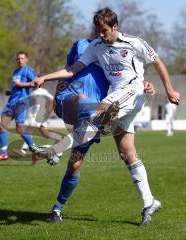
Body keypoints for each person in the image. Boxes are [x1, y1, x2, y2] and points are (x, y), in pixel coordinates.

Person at [34, 7, 180, 225]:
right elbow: (72, 70)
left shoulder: (134, 42)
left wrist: (168, 89)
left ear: (115, 27)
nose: (101, 35)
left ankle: (55, 149)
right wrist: (45, 77)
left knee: (99, 113)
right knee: (126, 152)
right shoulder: (96, 46)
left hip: (133, 91)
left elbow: (157, 62)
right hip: (121, 97)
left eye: (104, 30)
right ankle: (149, 202)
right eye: (98, 31)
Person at [0, 51, 39, 162]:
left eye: (22, 58)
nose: (20, 60)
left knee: (20, 129)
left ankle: (35, 150)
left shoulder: (28, 70)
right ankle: (3, 154)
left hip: (22, 102)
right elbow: (17, 86)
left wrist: (24, 84)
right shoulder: (16, 71)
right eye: (18, 59)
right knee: (2, 126)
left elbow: (37, 83)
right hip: (11, 102)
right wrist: (11, 91)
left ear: (26, 59)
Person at [19, 87, 63, 156]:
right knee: (44, 134)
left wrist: (48, 111)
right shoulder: (30, 90)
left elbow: (52, 100)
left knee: (29, 132)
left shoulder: (42, 91)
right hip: (32, 115)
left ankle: (26, 151)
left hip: (39, 116)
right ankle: (60, 140)